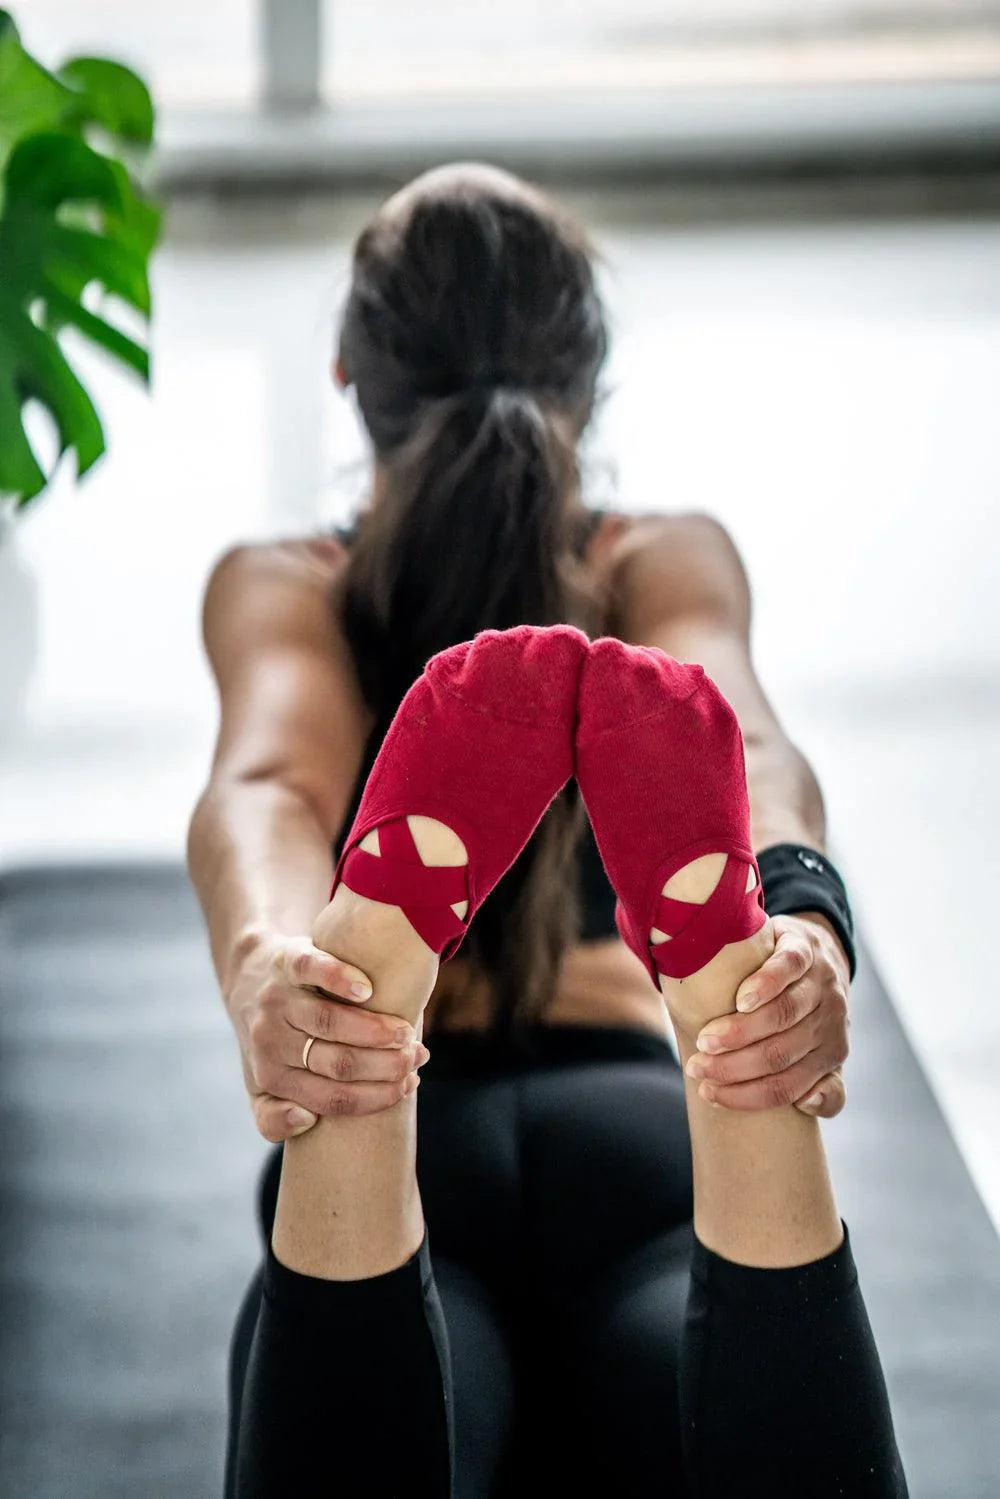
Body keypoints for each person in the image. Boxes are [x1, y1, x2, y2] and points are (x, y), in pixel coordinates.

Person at [188, 162, 908, 1498]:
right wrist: (798, 919)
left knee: (384, 1373)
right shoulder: (657, 556)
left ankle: (364, 1012)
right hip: (645, 1136)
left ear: (350, 372)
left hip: (420, 1131)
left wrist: (277, 965)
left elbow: (272, 786)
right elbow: (746, 740)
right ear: (593, 375)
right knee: (710, 1391)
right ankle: (738, 1057)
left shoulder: (288, 582)